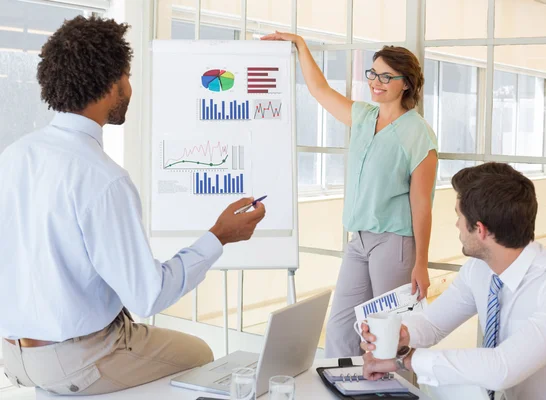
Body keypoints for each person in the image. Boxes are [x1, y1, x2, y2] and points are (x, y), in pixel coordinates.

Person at [0, 16, 265, 396]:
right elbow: (148, 295)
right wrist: (219, 237)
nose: (130, 87)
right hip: (75, 361)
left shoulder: (14, 155)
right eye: (127, 76)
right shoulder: (102, 177)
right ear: (112, 84)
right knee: (200, 351)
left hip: (14, 355)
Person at [261, 32, 438, 358]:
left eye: (387, 76)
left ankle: (396, 394)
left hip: (395, 242)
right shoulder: (363, 116)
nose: (376, 81)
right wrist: (301, 44)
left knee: (390, 337)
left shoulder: (418, 132)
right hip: (359, 240)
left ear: (406, 84)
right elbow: (320, 90)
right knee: (342, 328)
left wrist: (421, 262)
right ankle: (341, 388)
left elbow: (422, 203)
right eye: (373, 73)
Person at [360, 163, 546, 400]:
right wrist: (401, 337)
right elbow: (433, 325)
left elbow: (503, 368)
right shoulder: (479, 269)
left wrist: (405, 360)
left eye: (459, 216)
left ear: (481, 230)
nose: (456, 225)